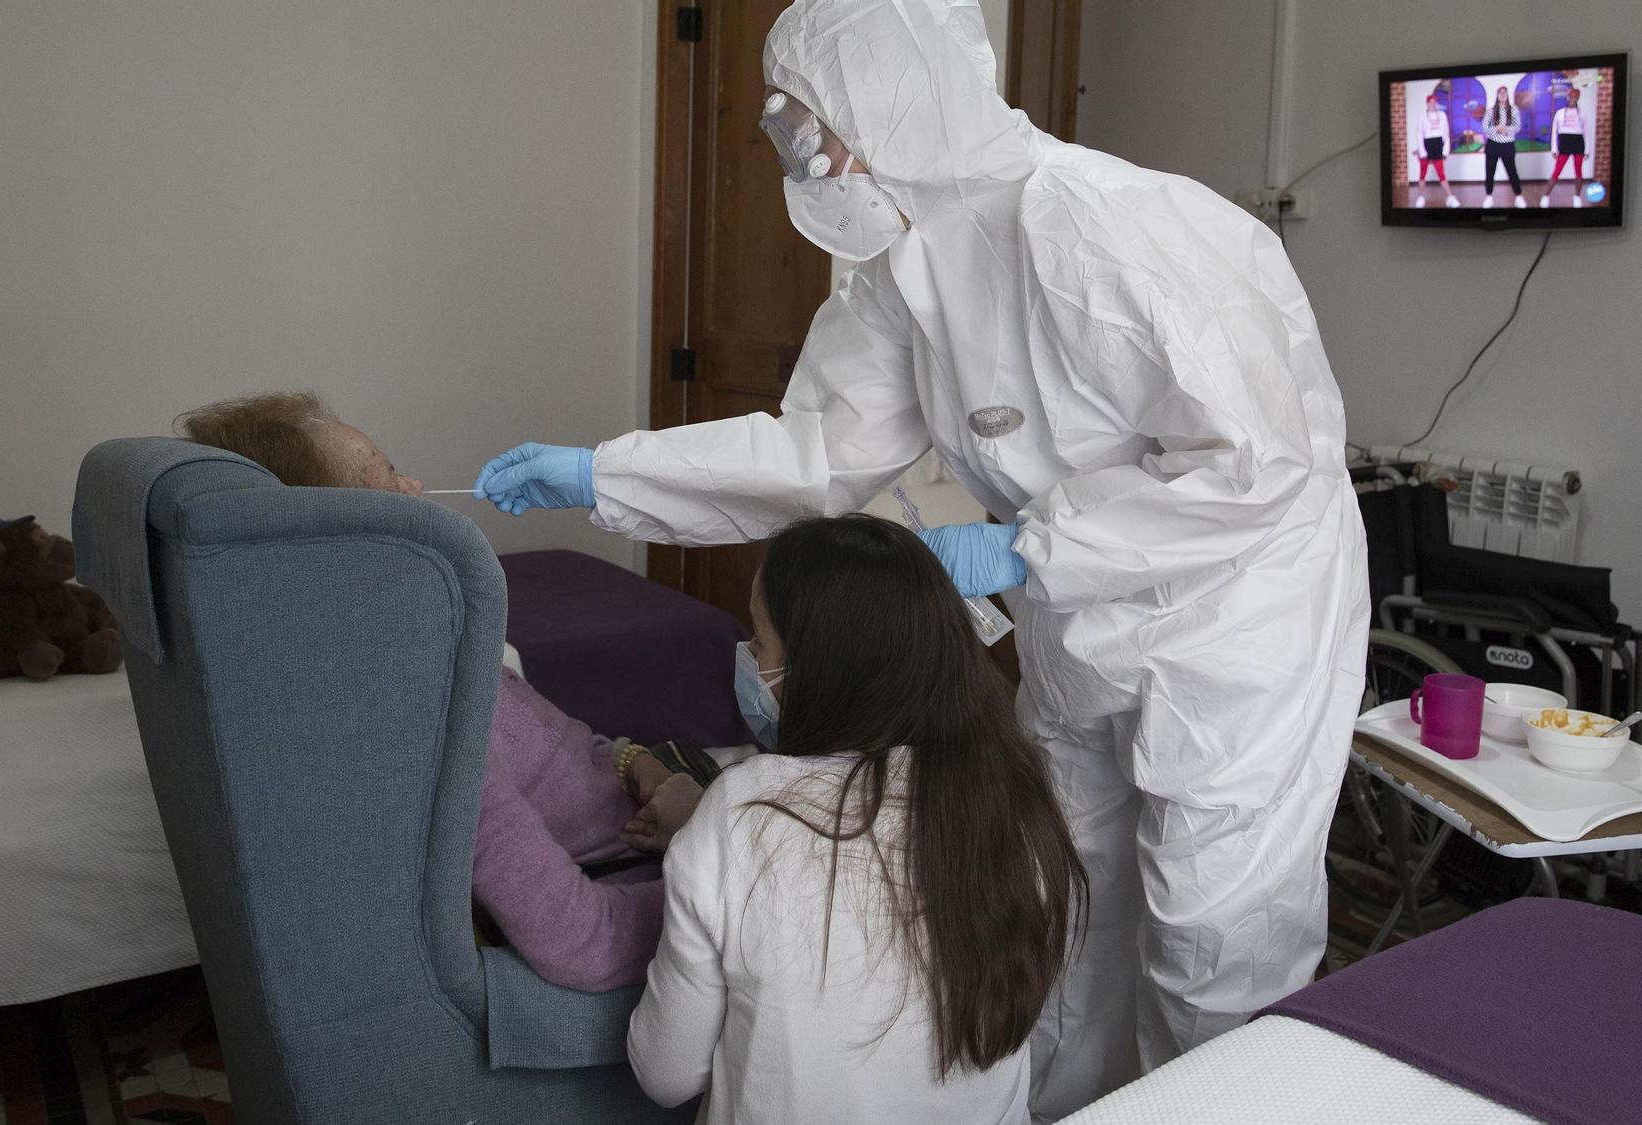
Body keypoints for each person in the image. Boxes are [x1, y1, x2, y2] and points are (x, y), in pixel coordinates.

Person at [477, 0, 1368, 1114]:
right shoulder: (902, 264)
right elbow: (822, 453)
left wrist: (1024, 544)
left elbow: (1256, 463)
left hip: (1234, 618)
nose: (806, 160)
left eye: (811, 127)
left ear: (890, 102)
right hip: (1075, 613)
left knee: (1211, 931)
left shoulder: (1109, 224)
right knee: (1069, 895)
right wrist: (605, 473)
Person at [178, 391, 708, 991]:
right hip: (653, 867)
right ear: (328, 544)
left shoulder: (406, 641)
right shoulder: (419, 710)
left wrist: (638, 765)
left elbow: (551, 749)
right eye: (385, 479)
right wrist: (732, 887)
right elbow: (585, 942)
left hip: (652, 801)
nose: (417, 486)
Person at [627, 515, 1084, 1124]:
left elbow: (666, 1074)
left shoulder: (738, 813)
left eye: (760, 643)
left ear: (818, 666)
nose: (750, 661)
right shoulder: (1018, 797)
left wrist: (696, 841)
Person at [1542, 85, 1589, 207]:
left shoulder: (1583, 114)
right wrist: (1554, 148)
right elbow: (1554, 132)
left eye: (1576, 96)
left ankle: (1577, 197)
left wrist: (1587, 150)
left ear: (1578, 98)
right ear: (1568, 97)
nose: (1573, 98)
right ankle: (1546, 196)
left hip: (1578, 142)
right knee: (1557, 170)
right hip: (1565, 142)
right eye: (1571, 96)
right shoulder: (1559, 113)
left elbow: (1586, 132)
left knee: (1578, 171)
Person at [1481, 85, 1526, 208]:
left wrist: (1506, 130)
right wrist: (1496, 129)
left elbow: (1518, 127)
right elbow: (1484, 128)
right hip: (1493, 145)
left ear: (1507, 95)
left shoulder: (1514, 110)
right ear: (1497, 95)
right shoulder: (1491, 111)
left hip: (1507, 145)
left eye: (1504, 93)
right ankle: (1489, 197)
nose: (1502, 95)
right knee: (1490, 172)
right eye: (1500, 93)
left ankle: (1518, 197)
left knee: (1512, 172)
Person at [1416, 93, 1460, 208]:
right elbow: (1419, 134)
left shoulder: (1442, 115)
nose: (1432, 104)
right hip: (1426, 145)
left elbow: (1446, 133)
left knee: (1441, 174)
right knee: (1422, 173)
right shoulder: (1422, 116)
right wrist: (1422, 152)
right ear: (1427, 103)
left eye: (1434, 102)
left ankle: (1450, 197)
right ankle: (1420, 197)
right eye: (1430, 102)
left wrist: (1445, 150)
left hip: (1437, 146)